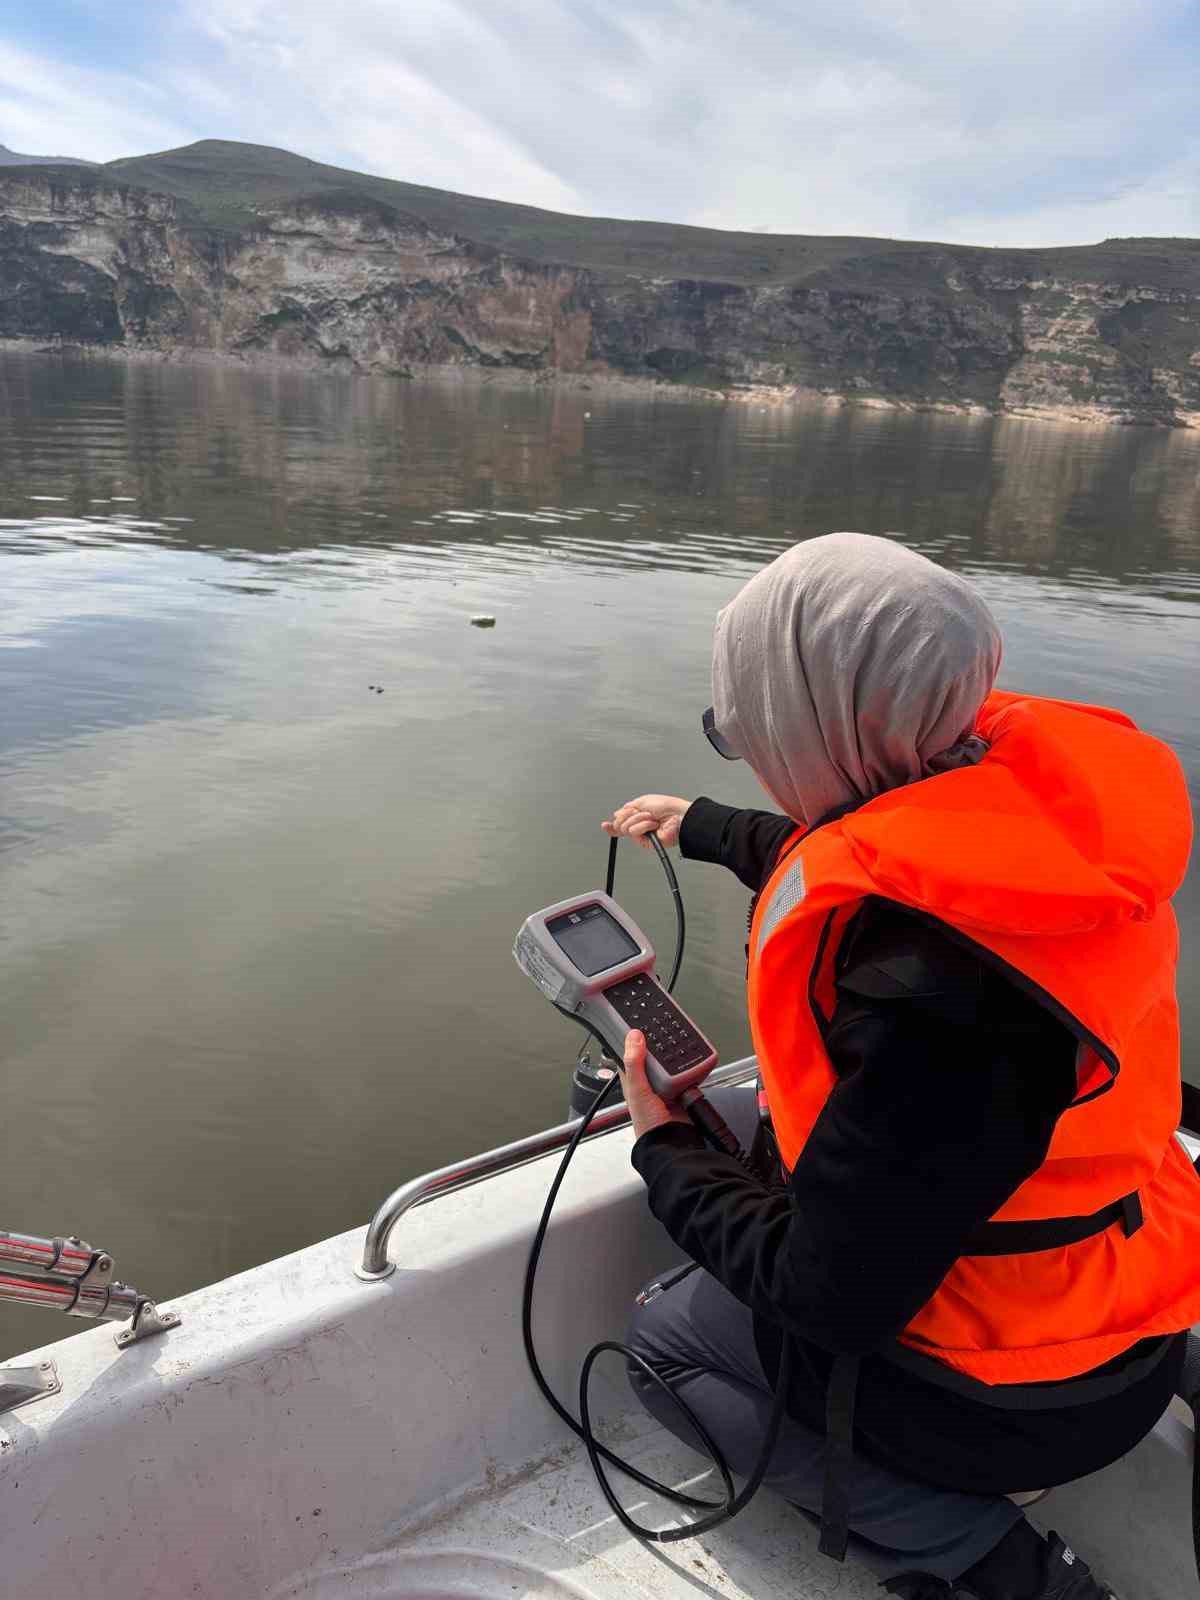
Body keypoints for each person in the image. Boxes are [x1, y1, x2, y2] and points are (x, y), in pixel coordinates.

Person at [602, 532, 1200, 1600]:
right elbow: (872, 844)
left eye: (750, 729)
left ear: (820, 725)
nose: (754, 753)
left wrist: (664, 1149)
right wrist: (706, 827)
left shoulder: (934, 1004)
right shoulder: (1047, 837)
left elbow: (828, 1298)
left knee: (662, 1341)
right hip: (1132, 1314)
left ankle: (992, 1563)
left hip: (1017, 1399)